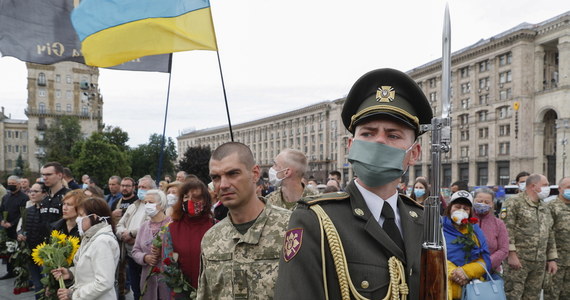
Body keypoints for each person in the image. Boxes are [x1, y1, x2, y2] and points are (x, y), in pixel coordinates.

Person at [275, 68, 432, 300]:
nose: (379, 141)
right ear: (351, 146)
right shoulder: (315, 219)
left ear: (414, 153)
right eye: (368, 134)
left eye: (393, 135)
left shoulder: (424, 220)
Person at [197, 142, 291, 299]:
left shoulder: (291, 228)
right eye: (216, 177)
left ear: (255, 173)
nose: (224, 185)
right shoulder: (211, 238)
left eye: (233, 173)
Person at [501, 173, 557, 300]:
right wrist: (512, 254)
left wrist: (552, 259)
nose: (548, 188)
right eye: (545, 185)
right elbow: (506, 229)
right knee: (513, 295)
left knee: (533, 296)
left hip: (539, 263)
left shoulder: (544, 207)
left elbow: (550, 232)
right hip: (519, 262)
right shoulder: (514, 202)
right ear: (533, 186)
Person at [51, 197, 120, 300]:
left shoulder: (102, 241)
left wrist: (73, 295)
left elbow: (104, 282)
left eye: (81, 215)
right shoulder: (89, 237)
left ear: (95, 217)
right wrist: (71, 273)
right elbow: (90, 271)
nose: (78, 219)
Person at [163, 179, 214, 297]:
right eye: (186, 197)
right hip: (182, 293)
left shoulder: (216, 226)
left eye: (197, 198)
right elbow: (168, 264)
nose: (191, 201)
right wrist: (181, 287)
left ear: (205, 201)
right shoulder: (172, 229)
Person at [444, 190, 492, 299]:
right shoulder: (439, 227)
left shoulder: (475, 231)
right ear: (450, 208)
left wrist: (466, 271)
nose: (461, 211)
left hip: (469, 289)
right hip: (445, 288)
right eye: (457, 207)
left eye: (465, 209)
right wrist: (453, 273)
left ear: (470, 212)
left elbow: (485, 260)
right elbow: (433, 255)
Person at [115, 177, 154, 300]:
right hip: (130, 254)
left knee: (146, 290)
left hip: (146, 256)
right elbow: (119, 224)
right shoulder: (134, 206)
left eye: (144, 187)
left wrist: (132, 234)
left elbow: (150, 225)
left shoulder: (153, 207)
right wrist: (123, 234)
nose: (140, 190)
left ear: (152, 190)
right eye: (140, 187)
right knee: (135, 289)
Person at [132, 190, 171, 300]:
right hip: (148, 280)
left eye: (151, 202)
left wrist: (162, 252)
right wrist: (145, 258)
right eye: (145, 203)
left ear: (161, 204)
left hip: (167, 279)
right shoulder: (144, 226)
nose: (147, 205)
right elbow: (135, 251)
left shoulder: (171, 225)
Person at [18, 182, 47, 299]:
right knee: (37, 285)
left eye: (36, 191)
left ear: (44, 193)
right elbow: (21, 229)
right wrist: (20, 235)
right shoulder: (28, 210)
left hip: (44, 255)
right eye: (31, 191)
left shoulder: (49, 211)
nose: (32, 194)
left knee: (47, 285)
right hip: (31, 253)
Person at [472, 188, 509, 277]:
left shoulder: (498, 223)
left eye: (487, 202)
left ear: (492, 204)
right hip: (464, 269)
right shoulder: (465, 220)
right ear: (473, 201)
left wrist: (485, 263)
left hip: (490, 271)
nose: (483, 204)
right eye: (479, 201)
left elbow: (503, 249)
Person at [544, 177, 570, 300]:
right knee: (552, 295)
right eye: (568, 187)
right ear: (560, 189)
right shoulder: (550, 207)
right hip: (556, 261)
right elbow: (547, 233)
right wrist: (550, 258)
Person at [0, 175, 29, 279]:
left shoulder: (24, 198)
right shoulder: (5, 197)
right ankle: (10, 271)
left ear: (18, 184)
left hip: (18, 228)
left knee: (19, 251)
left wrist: (12, 223)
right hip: (6, 228)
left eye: (13, 184)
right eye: (9, 184)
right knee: (9, 250)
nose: (11, 186)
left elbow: (23, 214)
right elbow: (1, 210)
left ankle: (21, 272)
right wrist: (2, 221)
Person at [39, 162, 70, 239]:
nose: (45, 178)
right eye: (43, 175)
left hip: (62, 242)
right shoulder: (44, 198)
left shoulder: (69, 196)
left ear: (60, 175)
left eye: (48, 174)